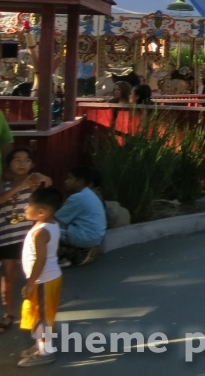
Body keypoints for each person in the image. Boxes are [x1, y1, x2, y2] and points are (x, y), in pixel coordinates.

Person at [0, 148, 51, 333]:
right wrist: (20, 186)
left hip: (30, 238)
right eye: (17, 160)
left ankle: (35, 313)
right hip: (6, 237)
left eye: (27, 160)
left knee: (33, 275)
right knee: (9, 277)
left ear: (32, 164)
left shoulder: (35, 182)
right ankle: (8, 314)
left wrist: (39, 176)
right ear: (8, 164)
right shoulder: (3, 184)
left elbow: (49, 183)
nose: (22, 164)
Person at [18, 186, 63, 366]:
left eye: (29, 205)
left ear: (42, 212)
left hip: (43, 280)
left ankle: (46, 352)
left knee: (42, 316)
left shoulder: (41, 232)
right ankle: (40, 345)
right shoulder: (48, 224)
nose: (25, 208)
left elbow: (41, 259)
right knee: (37, 314)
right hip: (44, 279)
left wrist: (30, 283)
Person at [55, 167, 106, 267]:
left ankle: (63, 256)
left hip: (86, 236)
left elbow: (57, 216)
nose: (66, 181)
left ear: (79, 182)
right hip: (96, 236)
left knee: (48, 226)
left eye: (69, 178)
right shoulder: (90, 194)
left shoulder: (78, 198)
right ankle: (76, 250)